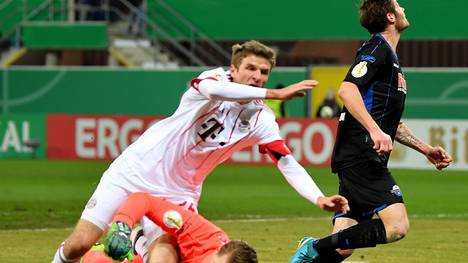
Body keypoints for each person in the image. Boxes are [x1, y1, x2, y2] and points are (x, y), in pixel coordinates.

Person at [52, 40, 349, 263]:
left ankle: (138, 240)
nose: (257, 76)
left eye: (264, 72)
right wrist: (274, 93)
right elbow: (215, 92)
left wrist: (318, 197)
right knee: (79, 244)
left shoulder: (261, 120)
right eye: (250, 68)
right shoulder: (213, 81)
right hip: (134, 171)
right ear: (233, 69)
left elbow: (286, 162)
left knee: (165, 256)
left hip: (180, 193)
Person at [289, 1, 453, 262]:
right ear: (390, 16)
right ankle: (314, 246)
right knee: (397, 227)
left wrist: (426, 149)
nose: (403, 9)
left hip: (360, 154)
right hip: (362, 153)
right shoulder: (378, 48)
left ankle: (316, 253)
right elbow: (347, 89)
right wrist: (375, 131)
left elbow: (391, 125)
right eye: (399, 6)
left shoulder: (390, 57)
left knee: (343, 245)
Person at [103, 192, 258, 263]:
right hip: (168, 234)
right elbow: (144, 200)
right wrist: (122, 225)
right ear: (217, 251)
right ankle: (140, 245)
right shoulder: (198, 234)